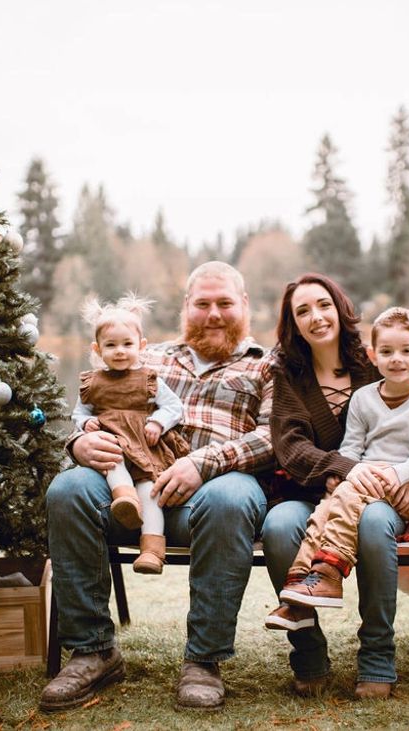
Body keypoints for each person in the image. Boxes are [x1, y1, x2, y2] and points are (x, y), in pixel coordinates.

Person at [41, 261, 275, 713]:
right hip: (128, 489)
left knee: (231, 497)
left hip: (214, 494)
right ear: (187, 307)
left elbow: (271, 438)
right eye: (202, 304)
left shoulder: (265, 367)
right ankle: (93, 651)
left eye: (224, 303)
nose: (213, 313)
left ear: (243, 305)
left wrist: (201, 464)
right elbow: (90, 405)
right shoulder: (145, 357)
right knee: (68, 490)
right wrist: (80, 442)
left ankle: (203, 661)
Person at [261, 274, 409, 700]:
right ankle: (306, 641)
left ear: (339, 308)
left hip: (386, 487)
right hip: (314, 489)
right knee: (279, 527)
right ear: (292, 324)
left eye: (323, 305)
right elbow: (290, 448)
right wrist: (342, 470)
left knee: (372, 523)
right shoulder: (290, 376)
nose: (316, 317)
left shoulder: (374, 360)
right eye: (303, 311)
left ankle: (376, 658)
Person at [272, 305, 409, 614]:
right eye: (387, 351)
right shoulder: (363, 398)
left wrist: (401, 473)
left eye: (406, 350)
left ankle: (329, 573)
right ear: (373, 355)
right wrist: (346, 472)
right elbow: (352, 448)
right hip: (364, 481)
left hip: (407, 491)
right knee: (325, 509)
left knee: (341, 499)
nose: (396, 358)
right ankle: (300, 585)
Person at [70, 293, 190, 574]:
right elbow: (79, 413)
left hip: (145, 448)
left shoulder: (149, 378)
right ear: (98, 349)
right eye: (111, 345)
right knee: (113, 461)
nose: (120, 351)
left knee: (151, 493)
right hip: (113, 447)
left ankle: (151, 550)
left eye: (127, 344)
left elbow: (174, 407)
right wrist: (85, 425)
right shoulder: (93, 382)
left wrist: (158, 423)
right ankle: (125, 499)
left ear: (141, 345)